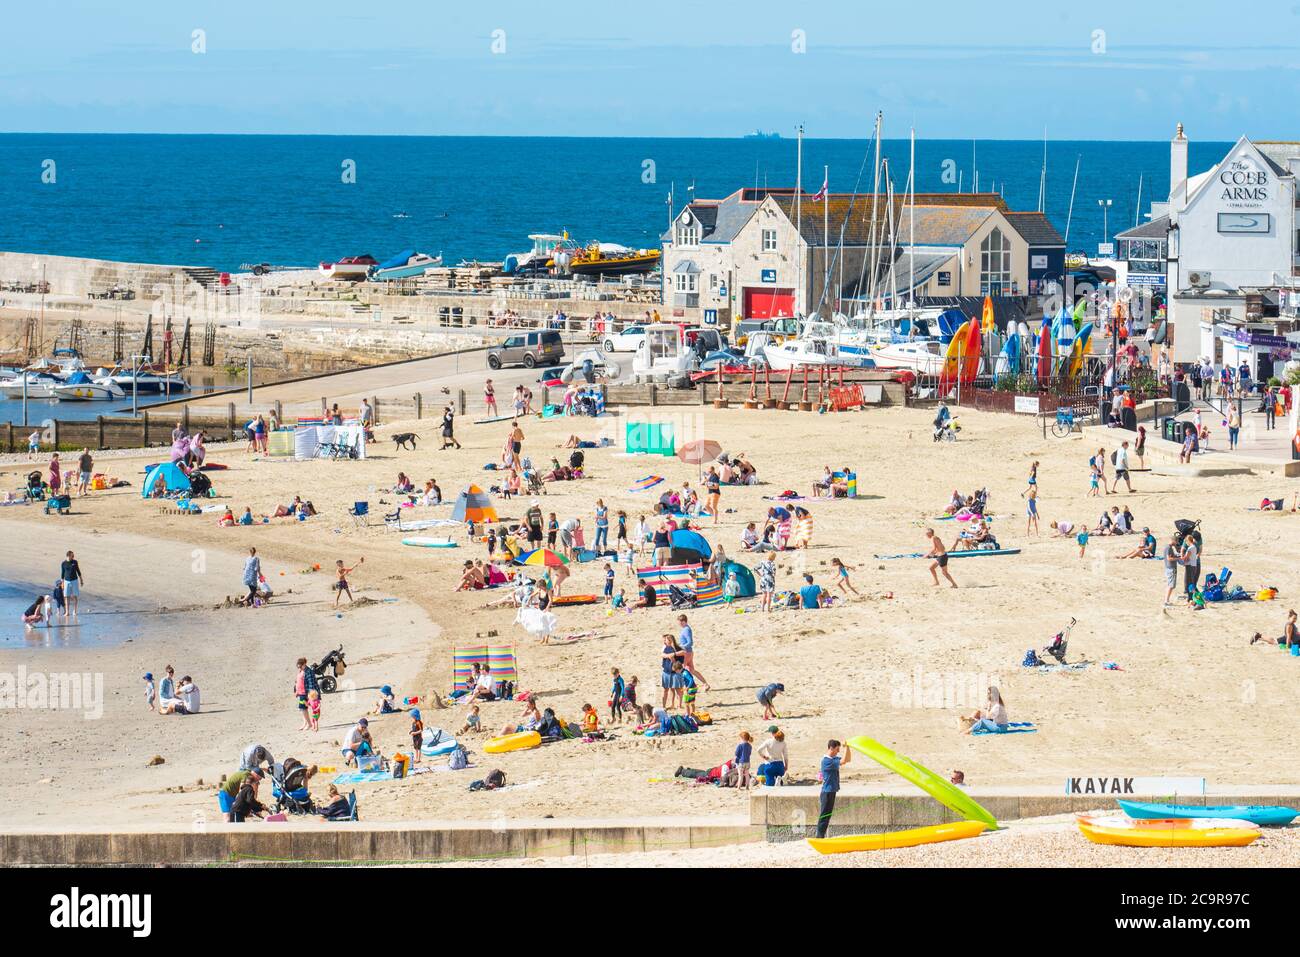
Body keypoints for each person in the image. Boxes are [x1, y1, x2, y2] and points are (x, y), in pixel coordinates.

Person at [816, 739, 851, 839]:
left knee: (827, 815)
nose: (838, 751)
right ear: (831, 748)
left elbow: (847, 759)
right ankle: (819, 837)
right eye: (837, 749)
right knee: (824, 816)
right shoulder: (827, 761)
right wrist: (846, 747)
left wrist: (848, 747)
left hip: (831, 791)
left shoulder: (833, 758)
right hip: (827, 792)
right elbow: (843, 760)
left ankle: (821, 836)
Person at [676, 614, 710, 691]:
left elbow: (690, 643)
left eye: (679, 622)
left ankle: (689, 686)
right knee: (692, 670)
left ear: (684, 621)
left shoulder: (686, 630)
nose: (678, 624)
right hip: (689, 652)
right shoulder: (685, 628)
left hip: (686, 653)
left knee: (682, 670)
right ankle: (705, 684)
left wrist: (681, 646)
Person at [59, 550, 83, 619]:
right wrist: (62, 583)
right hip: (66, 581)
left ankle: (75, 611)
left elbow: (78, 571)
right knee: (67, 596)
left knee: (75, 596)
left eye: (73, 556)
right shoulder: (63, 563)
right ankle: (67, 612)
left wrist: (81, 580)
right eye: (72, 556)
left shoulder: (75, 562)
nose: (73, 557)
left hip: (74, 580)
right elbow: (62, 573)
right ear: (68, 556)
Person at [1180, 532, 1201, 602]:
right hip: (1194, 565)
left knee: (1189, 583)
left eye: (1186, 541)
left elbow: (1186, 558)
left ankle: (1191, 597)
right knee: (1192, 582)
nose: (1186, 543)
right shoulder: (1194, 547)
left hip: (1189, 566)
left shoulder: (1190, 548)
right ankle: (1192, 597)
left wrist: (1179, 559)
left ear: (1188, 541)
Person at [1162, 534, 1181, 606]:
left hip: (1168, 568)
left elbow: (1170, 557)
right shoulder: (1168, 548)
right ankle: (1166, 601)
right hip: (1171, 568)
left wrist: (1176, 556)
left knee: (1170, 585)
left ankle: (1166, 600)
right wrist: (1179, 558)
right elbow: (1169, 558)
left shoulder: (1168, 547)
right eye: (1176, 541)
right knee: (1171, 585)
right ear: (1173, 541)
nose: (1176, 543)